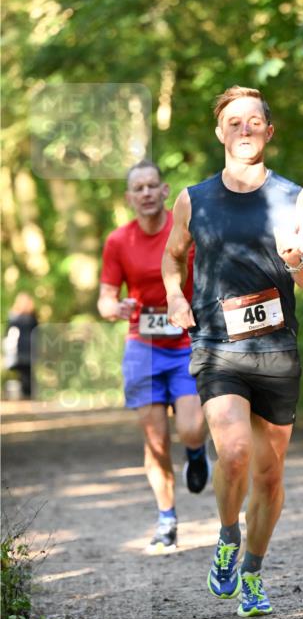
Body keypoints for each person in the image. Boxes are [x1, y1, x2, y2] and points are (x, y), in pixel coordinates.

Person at [162, 85, 303, 617]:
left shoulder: (295, 199)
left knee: (270, 474)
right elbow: (172, 257)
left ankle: (253, 573)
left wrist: (299, 261)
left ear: (268, 131)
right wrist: (174, 294)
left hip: (277, 349)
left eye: (254, 121)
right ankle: (228, 537)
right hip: (217, 345)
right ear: (220, 132)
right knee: (231, 452)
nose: (245, 129)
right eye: (234, 122)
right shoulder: (194, 198)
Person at [98, 159, 211, 554]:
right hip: (142, 347)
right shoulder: (118, 241)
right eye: (138, 189)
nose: (146, 193)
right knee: (156, 442)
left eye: (152, 186)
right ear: (130, 198)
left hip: (187, 343)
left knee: (193, 427)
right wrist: (115, 308)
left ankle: (196, 454)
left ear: (164, 192)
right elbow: (105, 299)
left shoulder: (185, 232)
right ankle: (167, 520)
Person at [4, 292, 38, 399]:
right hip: (20, 349)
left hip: (29, 349)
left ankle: (28, 395)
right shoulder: (15, 318)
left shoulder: (31, 318)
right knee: (24, 373)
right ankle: (26, 395)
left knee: (27, 373)